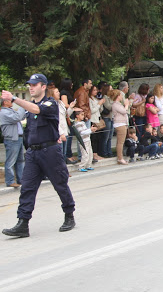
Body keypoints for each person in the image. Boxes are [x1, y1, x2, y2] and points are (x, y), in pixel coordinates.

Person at [2, 74, 76, 237]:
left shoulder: (49, 103)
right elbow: (29, 129)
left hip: (49, 151)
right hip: (33, 153)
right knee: (27, 188)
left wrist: (13, 98)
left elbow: (37, 110)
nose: (31, 87)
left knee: (60, 184)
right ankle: (23, 223)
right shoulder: (29, 108)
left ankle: (69, 215)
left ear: (43, 87)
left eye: (35, 85)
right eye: (30, 84)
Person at [1, 98, 26, 188]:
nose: (12, 102)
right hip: (11, 139)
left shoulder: (10, 111)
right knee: (11, 161)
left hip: (18, 138)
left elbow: (22, 117)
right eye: (10, 100)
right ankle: (10, 181)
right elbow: (17, 117)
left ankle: (21, 179)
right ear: (5, 102)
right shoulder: (4, 112)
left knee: (20, 160)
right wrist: (22, 105)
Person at [109, 89, 129, 165]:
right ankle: (120, 158)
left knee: (120, 142)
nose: (121, 97)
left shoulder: (118, 104)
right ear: (118, 96)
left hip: (122, 123)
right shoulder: (116, 104)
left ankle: (120, 157)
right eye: (120, 95)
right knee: (120, 142)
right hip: (120, 124)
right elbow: (124, 111)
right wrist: (126, 105)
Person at [88, 84, 104, 162]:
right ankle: (93, 154)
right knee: (93, 138)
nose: (96, 91)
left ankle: (96, 153)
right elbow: (92, 110)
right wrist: (99, 104)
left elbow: (100, 110)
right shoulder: (89, 99)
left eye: (96, 90)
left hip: (98, 118)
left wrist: (100, 104)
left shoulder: (95, 98)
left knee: (97, 138)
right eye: (94, 90)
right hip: (93, 119)